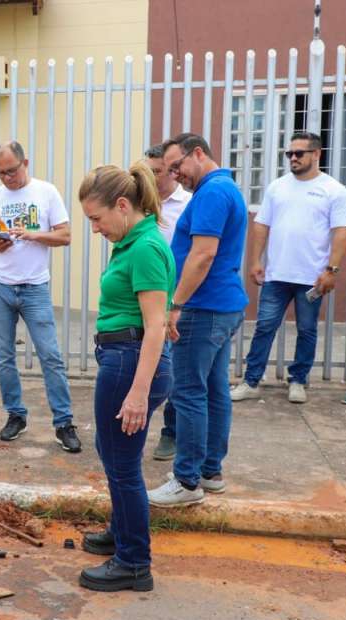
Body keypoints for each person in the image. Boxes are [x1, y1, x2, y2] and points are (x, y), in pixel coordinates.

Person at [74, 164, 174, 591]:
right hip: (124, 356)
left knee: (123, 464)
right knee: (112, 451)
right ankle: (121, 533)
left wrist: (138, 393)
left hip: (131, 362)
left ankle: (134, 562)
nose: (95, 228)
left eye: (96, 218)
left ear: (121, 206)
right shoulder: (132, 241)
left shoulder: (146, 247)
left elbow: (155, 326)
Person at [146, 133, 249, 508]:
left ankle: (187, 480)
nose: (175, 175)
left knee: (188, 391)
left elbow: (202, 255)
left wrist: (176, 303)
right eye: (169, 169)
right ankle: (209, 471)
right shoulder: (224, 189)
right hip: (221, 305)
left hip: (203, 309)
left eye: (177, 166)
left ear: (199, 154)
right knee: (214, 389)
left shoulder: (211, 193)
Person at [0, 141, 81, 452]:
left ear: (26, 163)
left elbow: (65, 235)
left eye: (12, 171)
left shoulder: (46, 192)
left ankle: (64, 422)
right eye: (1, 173)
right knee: (4, 356)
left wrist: (34, 235)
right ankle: (15, 415)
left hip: (35, 287)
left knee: (51, 356)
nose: (7, 178)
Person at [233, 131, 346, 404]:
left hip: (312, 277)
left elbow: (342, 231)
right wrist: (255, 261)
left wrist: (331, 270)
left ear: (316, 154)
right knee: (264, 327)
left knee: (307, 330)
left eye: (299, 153)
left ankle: (298, 380)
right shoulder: (278, 187)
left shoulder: (333, 189)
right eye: (290, 154)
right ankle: (251, 381)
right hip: (277, 275)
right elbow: (262, 224)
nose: (293, 158)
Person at [143, 142, 192, 462]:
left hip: (176, 298)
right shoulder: (138, 202)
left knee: (173, 367)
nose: (152, 179)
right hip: (145, 295)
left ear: (172, 171)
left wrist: (179, 301)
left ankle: (171, 432)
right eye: (147, 173)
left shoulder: (188, 203)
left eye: (157, 172)